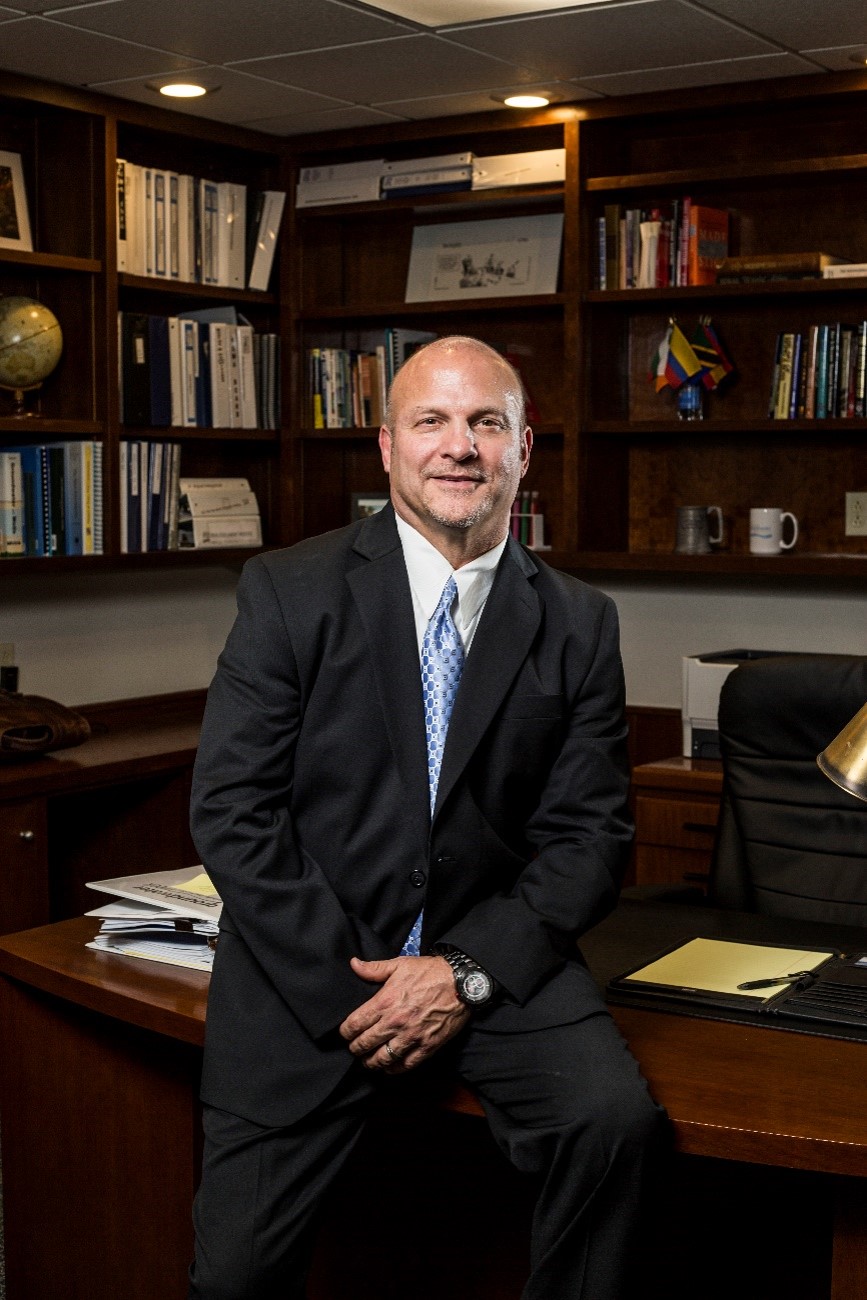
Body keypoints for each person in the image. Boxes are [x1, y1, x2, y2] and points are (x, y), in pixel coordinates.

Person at [188, 335, 664, 1300]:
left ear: (523, 450)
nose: (460, 446)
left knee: (614, 1125)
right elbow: (233, 811)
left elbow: (589, 838)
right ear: (387, 446)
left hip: (492, 962)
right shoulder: (290, 591)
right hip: (311, 973)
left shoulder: (578, 621)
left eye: (486, 422)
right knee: (232, 1278)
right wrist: (358, 992)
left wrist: (462, 972)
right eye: (431, 422)